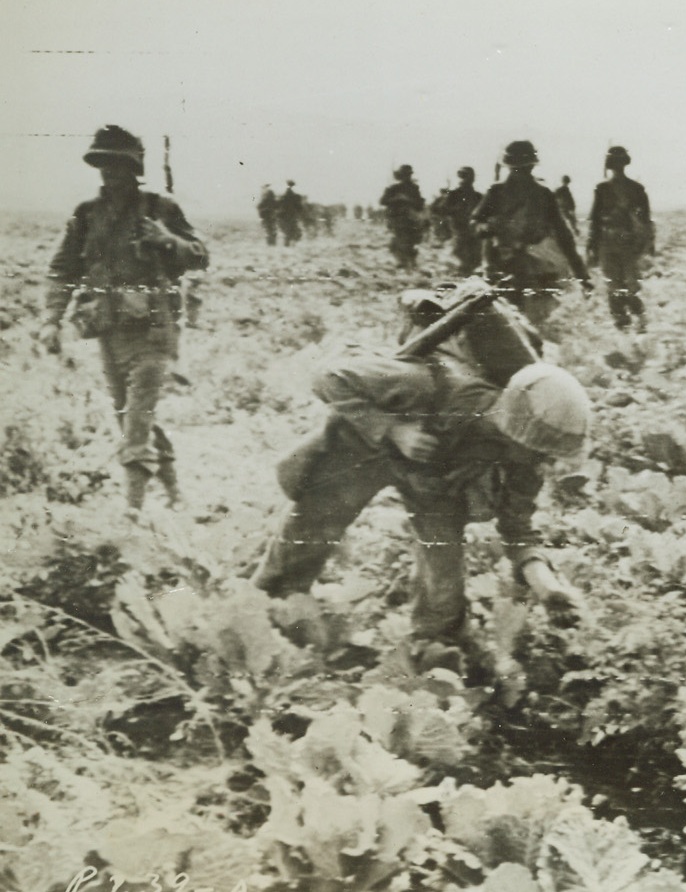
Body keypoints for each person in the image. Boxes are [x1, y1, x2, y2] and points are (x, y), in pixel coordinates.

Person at [252, 284, 591, 673]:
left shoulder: (523, 460)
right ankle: (265, 616)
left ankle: (433, 648)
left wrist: (548, 588)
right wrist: (393, 429)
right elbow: (328, 375)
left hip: (432, 479)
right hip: (364, 448)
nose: (545, 463)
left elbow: (518, 529)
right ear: (516, 432)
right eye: (541, 452)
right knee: (309, 532)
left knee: (443, 588)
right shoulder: (427, 384)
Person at [36, 125, 209, 512]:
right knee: (129, 416)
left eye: (118, 164)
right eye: (103, 163)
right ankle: (174, 492)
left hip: (154, 330)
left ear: (134, 168)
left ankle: (132, 512)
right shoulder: (87, 215)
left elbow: (200, 255)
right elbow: (62, 270)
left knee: (136, 420)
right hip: (108, 330)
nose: (110, 172)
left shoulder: (160, 209)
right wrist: (51, 319)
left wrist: (167, 239)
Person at [472, 140, 591, 328]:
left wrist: (582, 275)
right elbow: (475, 223)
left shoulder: (543, 194)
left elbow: (564, 236)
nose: (521, 173)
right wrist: (488, 228)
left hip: (533, 266)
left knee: (529, 323)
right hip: (499, 264)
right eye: (518, 168)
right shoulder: (496, 192)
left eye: (524, 168)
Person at [587, 146, 655, 331]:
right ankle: (636, 321)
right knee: (627, 285)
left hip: (611, 242)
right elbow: (646, 222)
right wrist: (649, 246)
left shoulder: (603, 188)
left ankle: (624, 324)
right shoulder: (636, 188)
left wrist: (592, 246)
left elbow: (595, 221)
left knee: (615, 285)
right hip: (627, 242)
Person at [380, 165, 426, 270]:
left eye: (408, 175)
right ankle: (404, 261)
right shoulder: (394, 188)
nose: (407, 177)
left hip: (411, 219)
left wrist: (408, 201)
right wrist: (397, 198)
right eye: (404, 175)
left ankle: (407, 261)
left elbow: (420, 205)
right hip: (397, 218)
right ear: (401, 176)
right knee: (401, 240)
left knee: (409, 240)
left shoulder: (414, 188)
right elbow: (383, 201)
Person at [442, 167, 484, 277]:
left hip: (473, 229)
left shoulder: (477, 196)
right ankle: (462, 272)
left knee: (475, 253)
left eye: (469, 177)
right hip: (459, 227)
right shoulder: (454, 194)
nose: (467, 179)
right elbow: (443, 209)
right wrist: (456, 209)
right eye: (464, 176)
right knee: (460, 252)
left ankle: (470, 274)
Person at [278, 180, 305, 246]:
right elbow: (299, 207)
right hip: (292, 215)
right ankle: (291, 244)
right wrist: (300, 211)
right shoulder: (295, 196)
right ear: (293, 186)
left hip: (284, 215)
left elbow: (279, 205)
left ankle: (287, 244)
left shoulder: (283, 196)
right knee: (293, 229)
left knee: (288, 230)